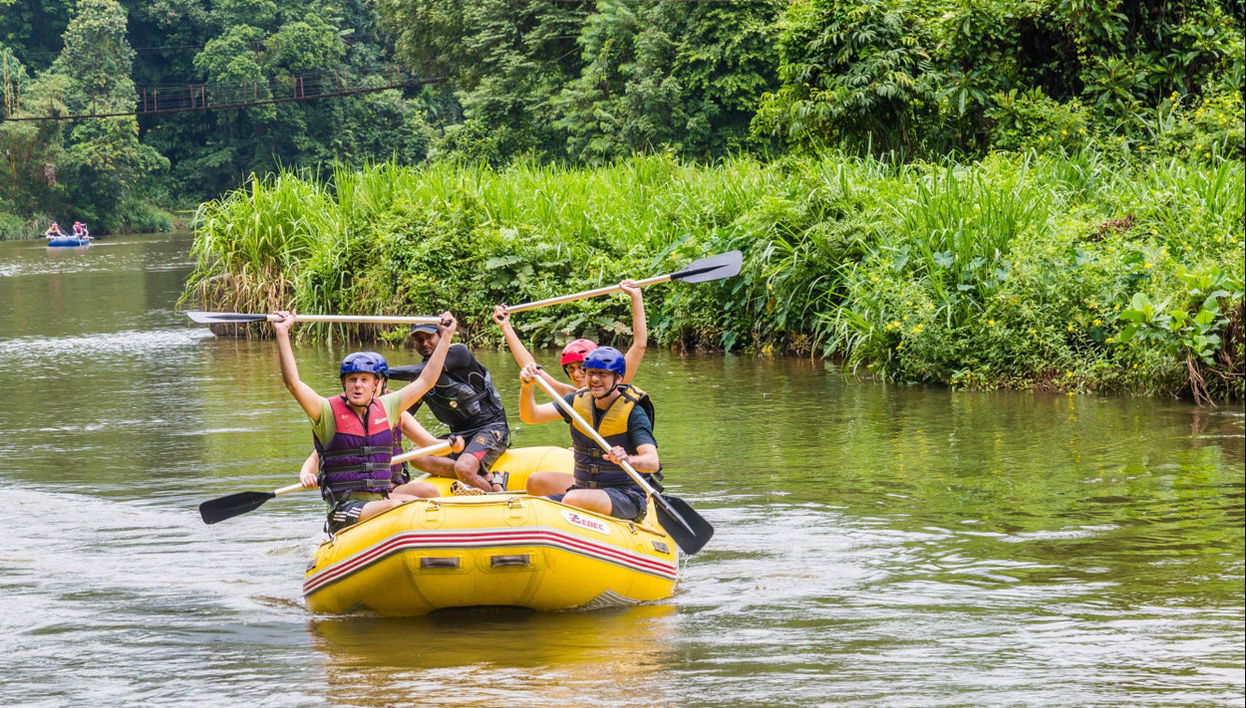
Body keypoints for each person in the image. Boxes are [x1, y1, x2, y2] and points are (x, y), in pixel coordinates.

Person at [273, 308, 457, 533]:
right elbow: (293, 383)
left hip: (381, 498)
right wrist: (282, 333)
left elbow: (427, 380)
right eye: (352, 380)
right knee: (402, 505)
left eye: (363, 380)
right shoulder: (326, 411)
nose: (357, 385)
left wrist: (446, 336)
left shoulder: (388, 407)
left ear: (376, 384)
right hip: (346, 508)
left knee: (422, 502)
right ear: (344, 384)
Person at [517, 346, 660, 521]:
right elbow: (531, 416)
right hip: (583, 489)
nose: (595, 379)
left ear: (618, 378)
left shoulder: (634, 412)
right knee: (535, 494)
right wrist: (527, 387)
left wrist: (627, 459)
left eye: (603, 374)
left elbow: (652, 462)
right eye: (590, 373)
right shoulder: (578, 401)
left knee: (572, 499)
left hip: (625, 495)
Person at [388, 322, 510, 493]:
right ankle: (488, 478)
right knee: (417, 456)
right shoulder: (419, 381)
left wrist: (381, 371)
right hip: (459, 436)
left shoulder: (458, 352)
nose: (424, 344)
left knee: (464, 469)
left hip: (491, 427)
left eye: (429, 337)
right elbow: (402, 416)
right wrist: (388, 403)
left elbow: (424, 371)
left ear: (441, 335)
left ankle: (494, 493)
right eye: (418, 339)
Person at [492, 279, 648, 397]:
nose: (576, 374)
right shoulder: (570, 395)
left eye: (581, 367)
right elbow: (530, 366)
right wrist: (505, 326)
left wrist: (636, 296)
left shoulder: (617, 383)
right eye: (571, 369)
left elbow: (639, 345)